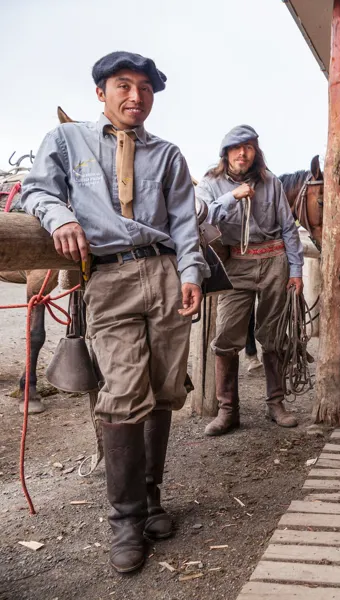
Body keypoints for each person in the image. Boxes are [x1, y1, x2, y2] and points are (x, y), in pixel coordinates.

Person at [21, 51, 208, 573]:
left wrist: (191, 273)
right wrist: (58, 216)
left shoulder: (168, 154)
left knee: (167, 388)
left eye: (145, 89)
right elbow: (37, 189)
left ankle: (151, 498)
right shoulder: (66, 141)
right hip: (109, 278)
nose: (135, 97)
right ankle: (124, 519)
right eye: (123, 86)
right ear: (100, 93)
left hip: (165, 273)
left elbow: (184, 224)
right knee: (124, 390)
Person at [197, 125, 304, 436]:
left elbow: (288, 227)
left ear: (256, 152)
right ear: (226, 153)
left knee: (274, 334)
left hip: (274, 261)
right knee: (227, 336)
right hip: (236, 263)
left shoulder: (271, 183)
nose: (242, 153)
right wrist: (232, 197)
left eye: (249, 147)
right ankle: (227, 410)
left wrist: (295, 270)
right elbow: (201, 216)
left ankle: (276, 403)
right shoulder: (210, 183)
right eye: (236, 148)